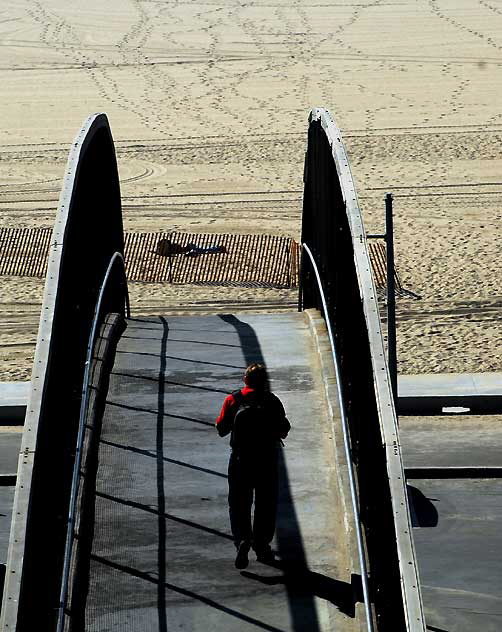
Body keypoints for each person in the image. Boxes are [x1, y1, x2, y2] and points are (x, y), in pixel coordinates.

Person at [215, 363, 290, 569]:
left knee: (239, 503)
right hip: (266, 460)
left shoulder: (233, 400)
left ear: (245, 380)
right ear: (265, 381)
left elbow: (221, 429)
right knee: (266, 504)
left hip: (240, 460)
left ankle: (242, 540)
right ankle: (262, 546)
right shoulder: (272, 401)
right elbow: (284, 429)